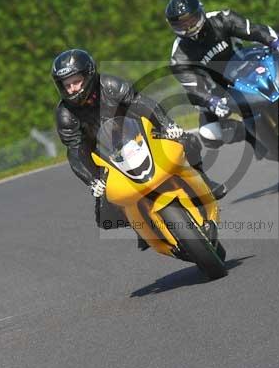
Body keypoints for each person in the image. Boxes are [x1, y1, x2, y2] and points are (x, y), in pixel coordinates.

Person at [52, 48, 226, 251]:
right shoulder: (65, 114)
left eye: (76, 81)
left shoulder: (109, 85)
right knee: (105, 205)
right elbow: (74, 151)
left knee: (187, 141)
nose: (73, 88)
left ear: (88, 74)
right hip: (104, 154)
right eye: (67, 84)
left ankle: (204, 178)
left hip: (137, 134)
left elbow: (142, 103)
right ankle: (141, 227)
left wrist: (166, 125)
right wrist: (92, 180)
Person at [165, 0, 279, 150]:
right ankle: (251, 136)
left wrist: (278, 42)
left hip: (246, 63)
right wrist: (211, 101)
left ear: (200, 11)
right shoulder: (178, 56)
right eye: (182, 25)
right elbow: (193, 87)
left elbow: (254, 30)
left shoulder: (221, 18)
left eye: (191, 20)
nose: (188, 27)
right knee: (210, 134)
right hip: (219, 88)